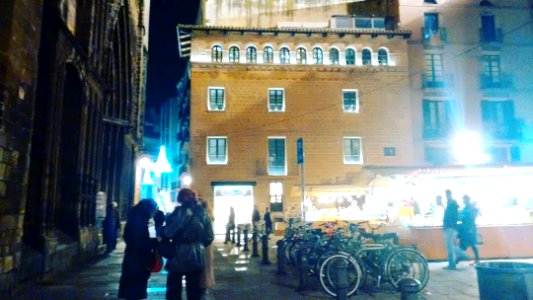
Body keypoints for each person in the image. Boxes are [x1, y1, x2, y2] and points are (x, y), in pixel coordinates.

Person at [163, 188, 214, 300]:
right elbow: (209, 236)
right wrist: (199, 245)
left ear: (180, 198)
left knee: (174, 290)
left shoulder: (177, 212)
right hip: (196, 254)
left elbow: (167, 233)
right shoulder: (202, 212)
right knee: (194, 290)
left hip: (176, 254)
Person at [118, 198, 159, 300]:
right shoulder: (141, 220)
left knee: (134, 281)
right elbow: (145, 238)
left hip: (136, 255)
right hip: (139, 256)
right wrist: (152, 243)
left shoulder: (139, 218)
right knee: (135, 281)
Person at [198, 198, 215, 296]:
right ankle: (205, 285)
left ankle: (203, 285)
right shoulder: (208, 215)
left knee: (203, 266)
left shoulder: (203, 216)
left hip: (203, 245)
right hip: (207, 246)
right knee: (207, 266)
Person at [458, 195, 480, 265]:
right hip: (465, 228)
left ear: (468, 200)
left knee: (473, 244)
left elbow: (472, 218)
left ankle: (477, 260)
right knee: (462, 243)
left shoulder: (471, 207)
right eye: (463, 199)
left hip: (470, 228)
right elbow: (462, 216)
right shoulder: (465, 208)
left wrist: (470, 229)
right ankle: (459, 257)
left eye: (464, 199)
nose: (463, 201)